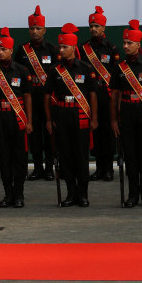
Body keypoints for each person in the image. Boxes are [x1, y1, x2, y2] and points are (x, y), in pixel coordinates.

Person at [44, 24, 98, 207]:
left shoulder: (85, 68)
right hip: (62, 115)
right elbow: (46, 96)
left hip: (80, 115)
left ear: (73, 48)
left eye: (64, 47)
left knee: (81, 156)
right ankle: (70, 194)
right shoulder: (55, 70)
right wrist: (50, 119)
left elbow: (92, 94)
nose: (61, 50)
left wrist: (95, 118)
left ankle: (82, 194)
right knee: (66, 155)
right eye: (60, 47)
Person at [110, 20, 142, 208]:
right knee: (129, 154)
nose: (125, 46)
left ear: (138, 44)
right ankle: (132, 195)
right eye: (124, 42)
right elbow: (114, 95)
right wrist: (114, 119)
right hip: (127, 115)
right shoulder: (119, 66)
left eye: (129, 43)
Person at [0, 28, 33, 207]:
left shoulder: (22, 70)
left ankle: (19, 194)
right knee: (3, 157)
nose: (0, 52)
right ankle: (7, 194)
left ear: (11, 51)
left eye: (4, 49)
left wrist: (29, 120)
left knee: (18, 157)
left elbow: (27, 97)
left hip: (17, 118)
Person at [15, 5, 58, 181]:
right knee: (33, 137)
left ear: (44, 30)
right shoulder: (22, 50)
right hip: (29, 100)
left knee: (49, 134)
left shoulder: (53, 49)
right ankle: (37, 167)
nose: (34, 31)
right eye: (32, 28)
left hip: (48, 100)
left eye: (38, 28)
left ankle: (49, 168)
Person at [80, 6, 119, 181]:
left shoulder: (112, 48)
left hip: (108, 95)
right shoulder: (83, 48)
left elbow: (117, 73)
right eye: (91, 26)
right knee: (95, 133)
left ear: (104, 28)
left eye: (97, 25)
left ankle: (109, 168)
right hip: (91, 96)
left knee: (108, 132)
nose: (93, 29)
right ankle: (99, 168)